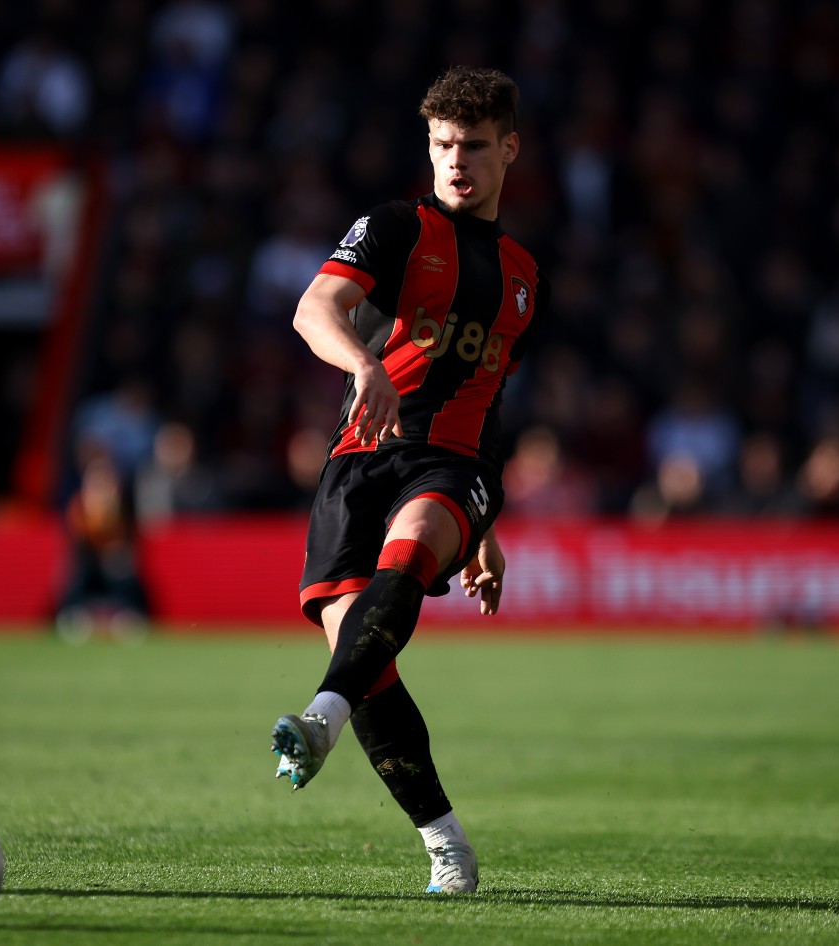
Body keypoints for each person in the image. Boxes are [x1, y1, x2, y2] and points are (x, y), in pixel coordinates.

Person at [269, 66, 549, 894]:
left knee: (415, 547)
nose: (455, 160)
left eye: (471, 146)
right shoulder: (396, 228)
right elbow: (314, 307)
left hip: (454, 461)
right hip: (361, 456)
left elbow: (490, 394)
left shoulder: (526, 277)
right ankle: (446, 844)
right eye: (441, 145)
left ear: (509, 149)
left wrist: (484, 526)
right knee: (367, 653)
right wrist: (364, 362)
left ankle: (320, 719)